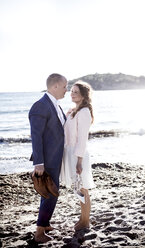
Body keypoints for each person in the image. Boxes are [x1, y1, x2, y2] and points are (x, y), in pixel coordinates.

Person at [29, 73, 67, 243]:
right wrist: (39, 163)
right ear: (55, 86)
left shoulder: (56, 105)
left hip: (56, 157)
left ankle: (45, 223)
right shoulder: (41, 105)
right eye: (65, 86)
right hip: (46, 160)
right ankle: (39, 232)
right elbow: (36, 136)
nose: (67, 90)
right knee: (51, 193)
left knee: (49, 192)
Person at [60, 81, 95, 231]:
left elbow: (82, 139)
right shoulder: (75, 111)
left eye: (75, 91)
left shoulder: (84, 112)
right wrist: (67, 116)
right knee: (78, 188)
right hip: (70, 152)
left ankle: (85, 221)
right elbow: (66, 132)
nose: (72, 93)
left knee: (82, 188)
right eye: (71, 91)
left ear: (83, 95)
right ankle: (83, 218)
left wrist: (79, 161)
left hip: (77, 154)